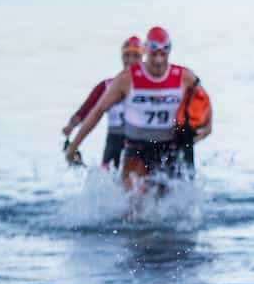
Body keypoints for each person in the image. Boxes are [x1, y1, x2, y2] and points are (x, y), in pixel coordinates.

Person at [65, 27, 211, 193]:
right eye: (154, 55)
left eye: (163, 55)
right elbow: (96, 111)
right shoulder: (126, 79)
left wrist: (207, 128)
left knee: (171, 205)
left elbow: (204, 100)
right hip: (137, 147)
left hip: (171, 147)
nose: (158, 61)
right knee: (133, 206)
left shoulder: (184, 77)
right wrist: (74, 145)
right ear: (147, 52)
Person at [64, 36, 143, 169]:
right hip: (115, 140)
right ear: (122, 57)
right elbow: (87, 109)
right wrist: (71, 127)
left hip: (140, 140)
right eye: (127, 55)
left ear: (142, 59)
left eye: (135, 56)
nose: (131, 60)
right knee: (107, 177)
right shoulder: (107, 86)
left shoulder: (150, 87)